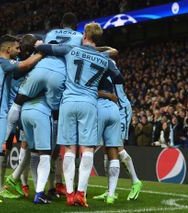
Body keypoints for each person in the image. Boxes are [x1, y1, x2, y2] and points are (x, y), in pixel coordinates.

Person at [35, 22, 122, 207]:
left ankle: (68, 193)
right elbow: (118, 77)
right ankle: (81, 193)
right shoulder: (104, 59)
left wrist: (38, 45)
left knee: (69, 149)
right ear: (98, 40)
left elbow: (45, 48)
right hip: (89, 104)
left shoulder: (70, 49)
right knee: (87, 149)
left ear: (84, 36)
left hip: (68, 102)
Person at [5, 12, 83, 198]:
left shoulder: (49, 35)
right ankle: (43, 187)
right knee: (48, 144)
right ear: (76, 26)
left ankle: (4, 138)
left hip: (38, 73)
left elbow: (38, 49)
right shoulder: (79, 37)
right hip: (58, 77)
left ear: (60, 24)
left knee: (19, 104)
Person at [0, 34, 43, 203]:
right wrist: (42, 52)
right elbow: (25, 64)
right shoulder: (3, 63)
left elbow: (20, 70)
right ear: (7, 48)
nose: (18, 51)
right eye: (16, 48)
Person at [94, 60, 143, 201]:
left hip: (120, 110)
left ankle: (135, 181)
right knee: (108, 150)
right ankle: (110, 189)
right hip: (111, 108)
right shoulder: (109, 73)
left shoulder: (109, 74)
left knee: (118, 148)